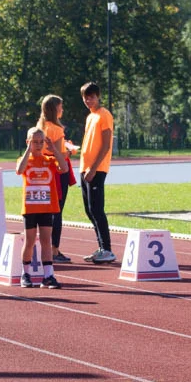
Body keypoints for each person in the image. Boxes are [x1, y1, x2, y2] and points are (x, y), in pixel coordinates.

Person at [16, 127, 64, 289]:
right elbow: (19, 170)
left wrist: (54, 150)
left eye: (40, 142)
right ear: (28, 142)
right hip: (30, 208)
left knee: (46, 241)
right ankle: (26, 273)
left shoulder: (49, 161)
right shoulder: (24, 160)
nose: (37, 145)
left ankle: (48, 276)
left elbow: (63, 168)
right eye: (34, 142)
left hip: (46, 207)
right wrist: (27, 151)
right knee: (29, 241)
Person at [78, 81, 116, 264]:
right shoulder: (90, 116)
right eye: (85, 97)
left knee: (97, 209)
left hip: (96, 169)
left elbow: (107, 144)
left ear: (98, 96)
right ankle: (101, 247)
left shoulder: (104, 115)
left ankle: (107, 248)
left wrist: (93, 168)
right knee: (89, 209)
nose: (88, 100)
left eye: (91, 97)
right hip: (85, 168)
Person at [37, 94, 76, 263]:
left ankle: (45, 248)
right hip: (58, 171)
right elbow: (60, 154)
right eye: (60, 107)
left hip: (43, 171)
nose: (62, 110)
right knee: (57, 210)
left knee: (46, 210)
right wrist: (70, 151)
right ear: (54, 109)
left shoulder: (40, 126)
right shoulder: (57, 129)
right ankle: (54, 249)